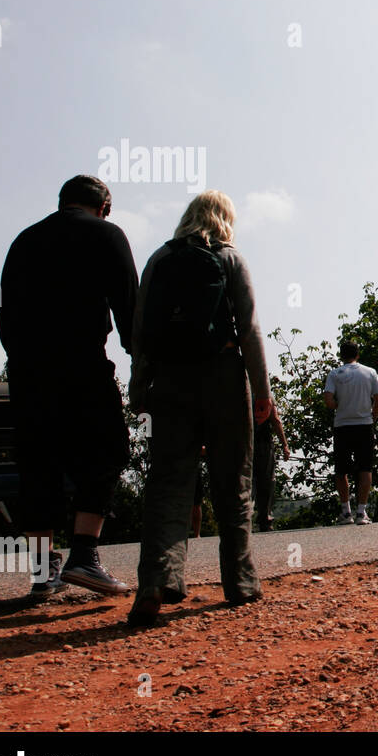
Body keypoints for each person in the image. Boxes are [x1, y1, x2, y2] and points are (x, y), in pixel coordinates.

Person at [126, 191, 276, 626]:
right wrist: (262, 391)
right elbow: (248, 329)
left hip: (169, 381)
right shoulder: (230, 257)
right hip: (224, 377)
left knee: (168, 484)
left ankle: (156, 581)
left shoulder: (158, 259)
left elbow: (140, 334)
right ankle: (241, 583)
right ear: (225, 219)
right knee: (235, 479)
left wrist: (139, 390)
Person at [0, 174, 138, 597]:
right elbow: (129, 308)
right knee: (107, 452)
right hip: (82, 365)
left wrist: (20, 361)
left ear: (62, 203)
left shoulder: (24, 241)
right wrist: (140, 358)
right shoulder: (107, 234)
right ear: (104, 206)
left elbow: (5, 314)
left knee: (38, 465)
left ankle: (44, 573)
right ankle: (84, 555)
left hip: (28, 371)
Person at [323, 341, 378, 525]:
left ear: (341, 355)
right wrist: (372, 417)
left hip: (342, 425)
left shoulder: (334, 374)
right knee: (365, 468)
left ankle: (346, 512)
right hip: (364, 424)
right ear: (358, 354)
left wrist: (339, 405)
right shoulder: (370, 372)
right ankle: (361, 512)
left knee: (341, 470)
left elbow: (328, 400)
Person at [252, 414, 289, 531]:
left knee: (245, 481)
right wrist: (284, 444)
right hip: (262, 442)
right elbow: (275, 420)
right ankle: (264, 518)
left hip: (242, 442)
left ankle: (242, 518)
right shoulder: (264, 396)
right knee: (266, 481)